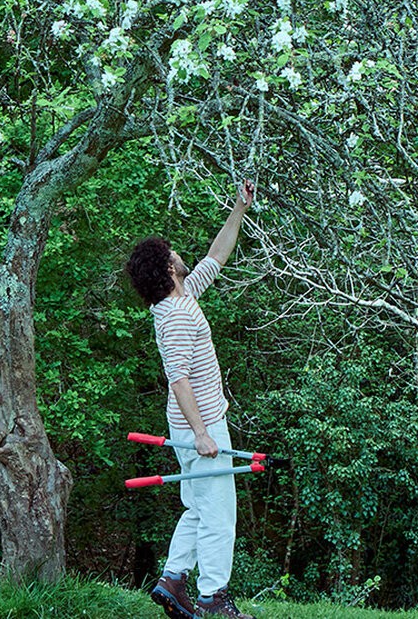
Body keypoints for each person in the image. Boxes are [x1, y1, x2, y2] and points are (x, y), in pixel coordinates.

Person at [127, 180, 256, 619]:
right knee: (219, 513)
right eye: (172, 253)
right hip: (199, 425)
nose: (179, 254)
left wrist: (239, 207)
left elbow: (216, 257)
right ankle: (213, 599)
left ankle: (174, 579)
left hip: (192, 425)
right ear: (167, 270)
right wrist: (202, 434)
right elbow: (178, 379)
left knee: (199, 507)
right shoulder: (177, 316)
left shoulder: (184, 297)